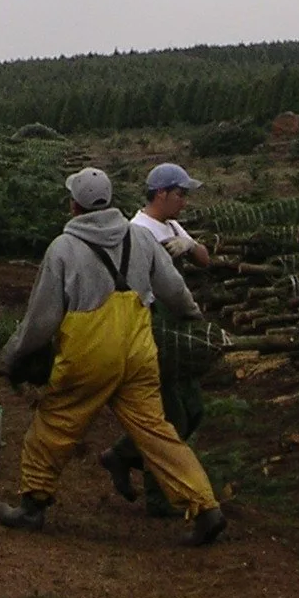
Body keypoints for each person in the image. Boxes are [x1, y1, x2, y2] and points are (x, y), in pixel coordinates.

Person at [0, 167, 226, 546]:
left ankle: (32, 508)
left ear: (74, 205)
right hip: (138, 351)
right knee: (158, 432)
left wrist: (11, 355)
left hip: (89, 356)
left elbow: (41, 319)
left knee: (54, 426)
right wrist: (192, 318)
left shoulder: (63, 249)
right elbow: (174, 289)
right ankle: (206, 508)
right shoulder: (140, 238)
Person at [101, 162, 214, 516]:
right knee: (169, 415)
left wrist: (190, 243)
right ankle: (158, 497)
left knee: (193, 409)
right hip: (152, 325)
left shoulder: (171, 224)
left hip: (177, 325)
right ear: (161, 194)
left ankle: (121, 455)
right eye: (180, 194)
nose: (185, 201)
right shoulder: (138, 230)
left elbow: (206, 260)